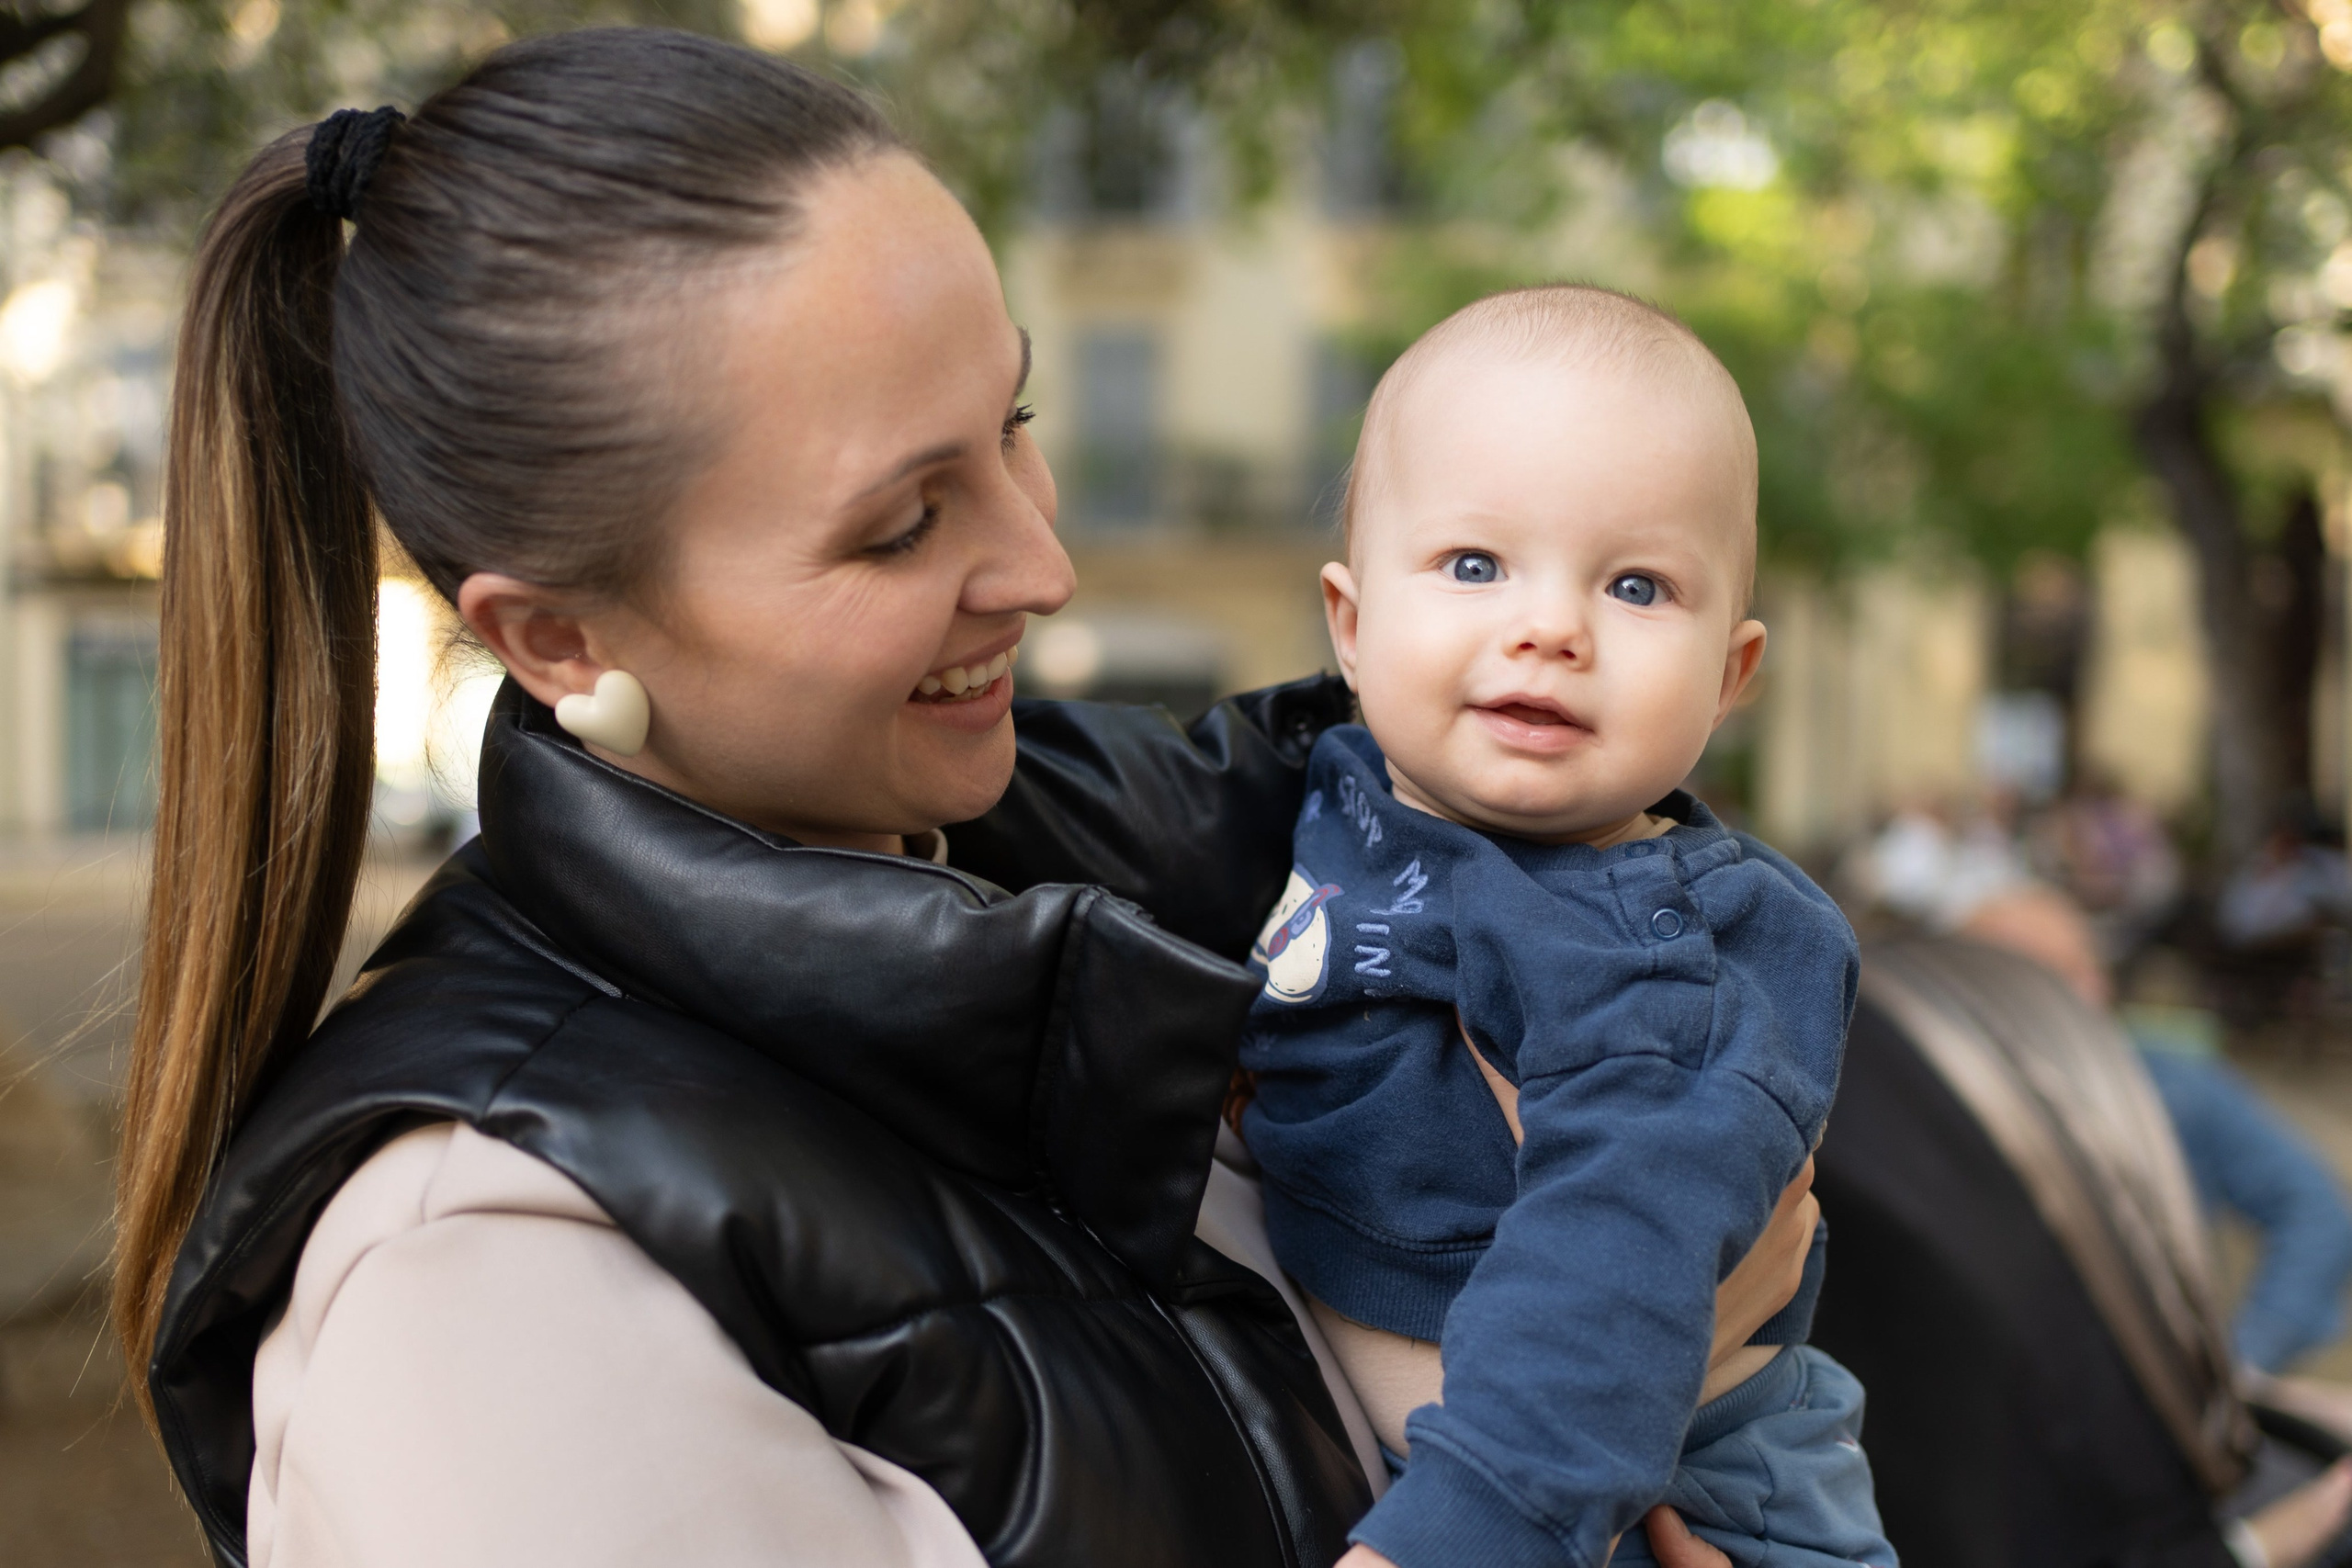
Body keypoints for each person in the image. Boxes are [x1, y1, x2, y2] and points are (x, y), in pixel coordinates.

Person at [113, 32, 1816, 1568]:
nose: (1045, 561)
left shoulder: (1074, 862)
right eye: (903, 522)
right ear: (556, 634)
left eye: (1015, 422)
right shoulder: (475, 1288)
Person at [1237, 287, 1892, 1568]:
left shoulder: (1660, 948)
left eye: (1637, 586)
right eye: (1475, 566)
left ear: (1730, 677)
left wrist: (1453, 1539)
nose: (1550, 628)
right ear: (1354, 629)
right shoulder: (1357, 788)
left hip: (1675, 1491)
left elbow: (1615, 1269)